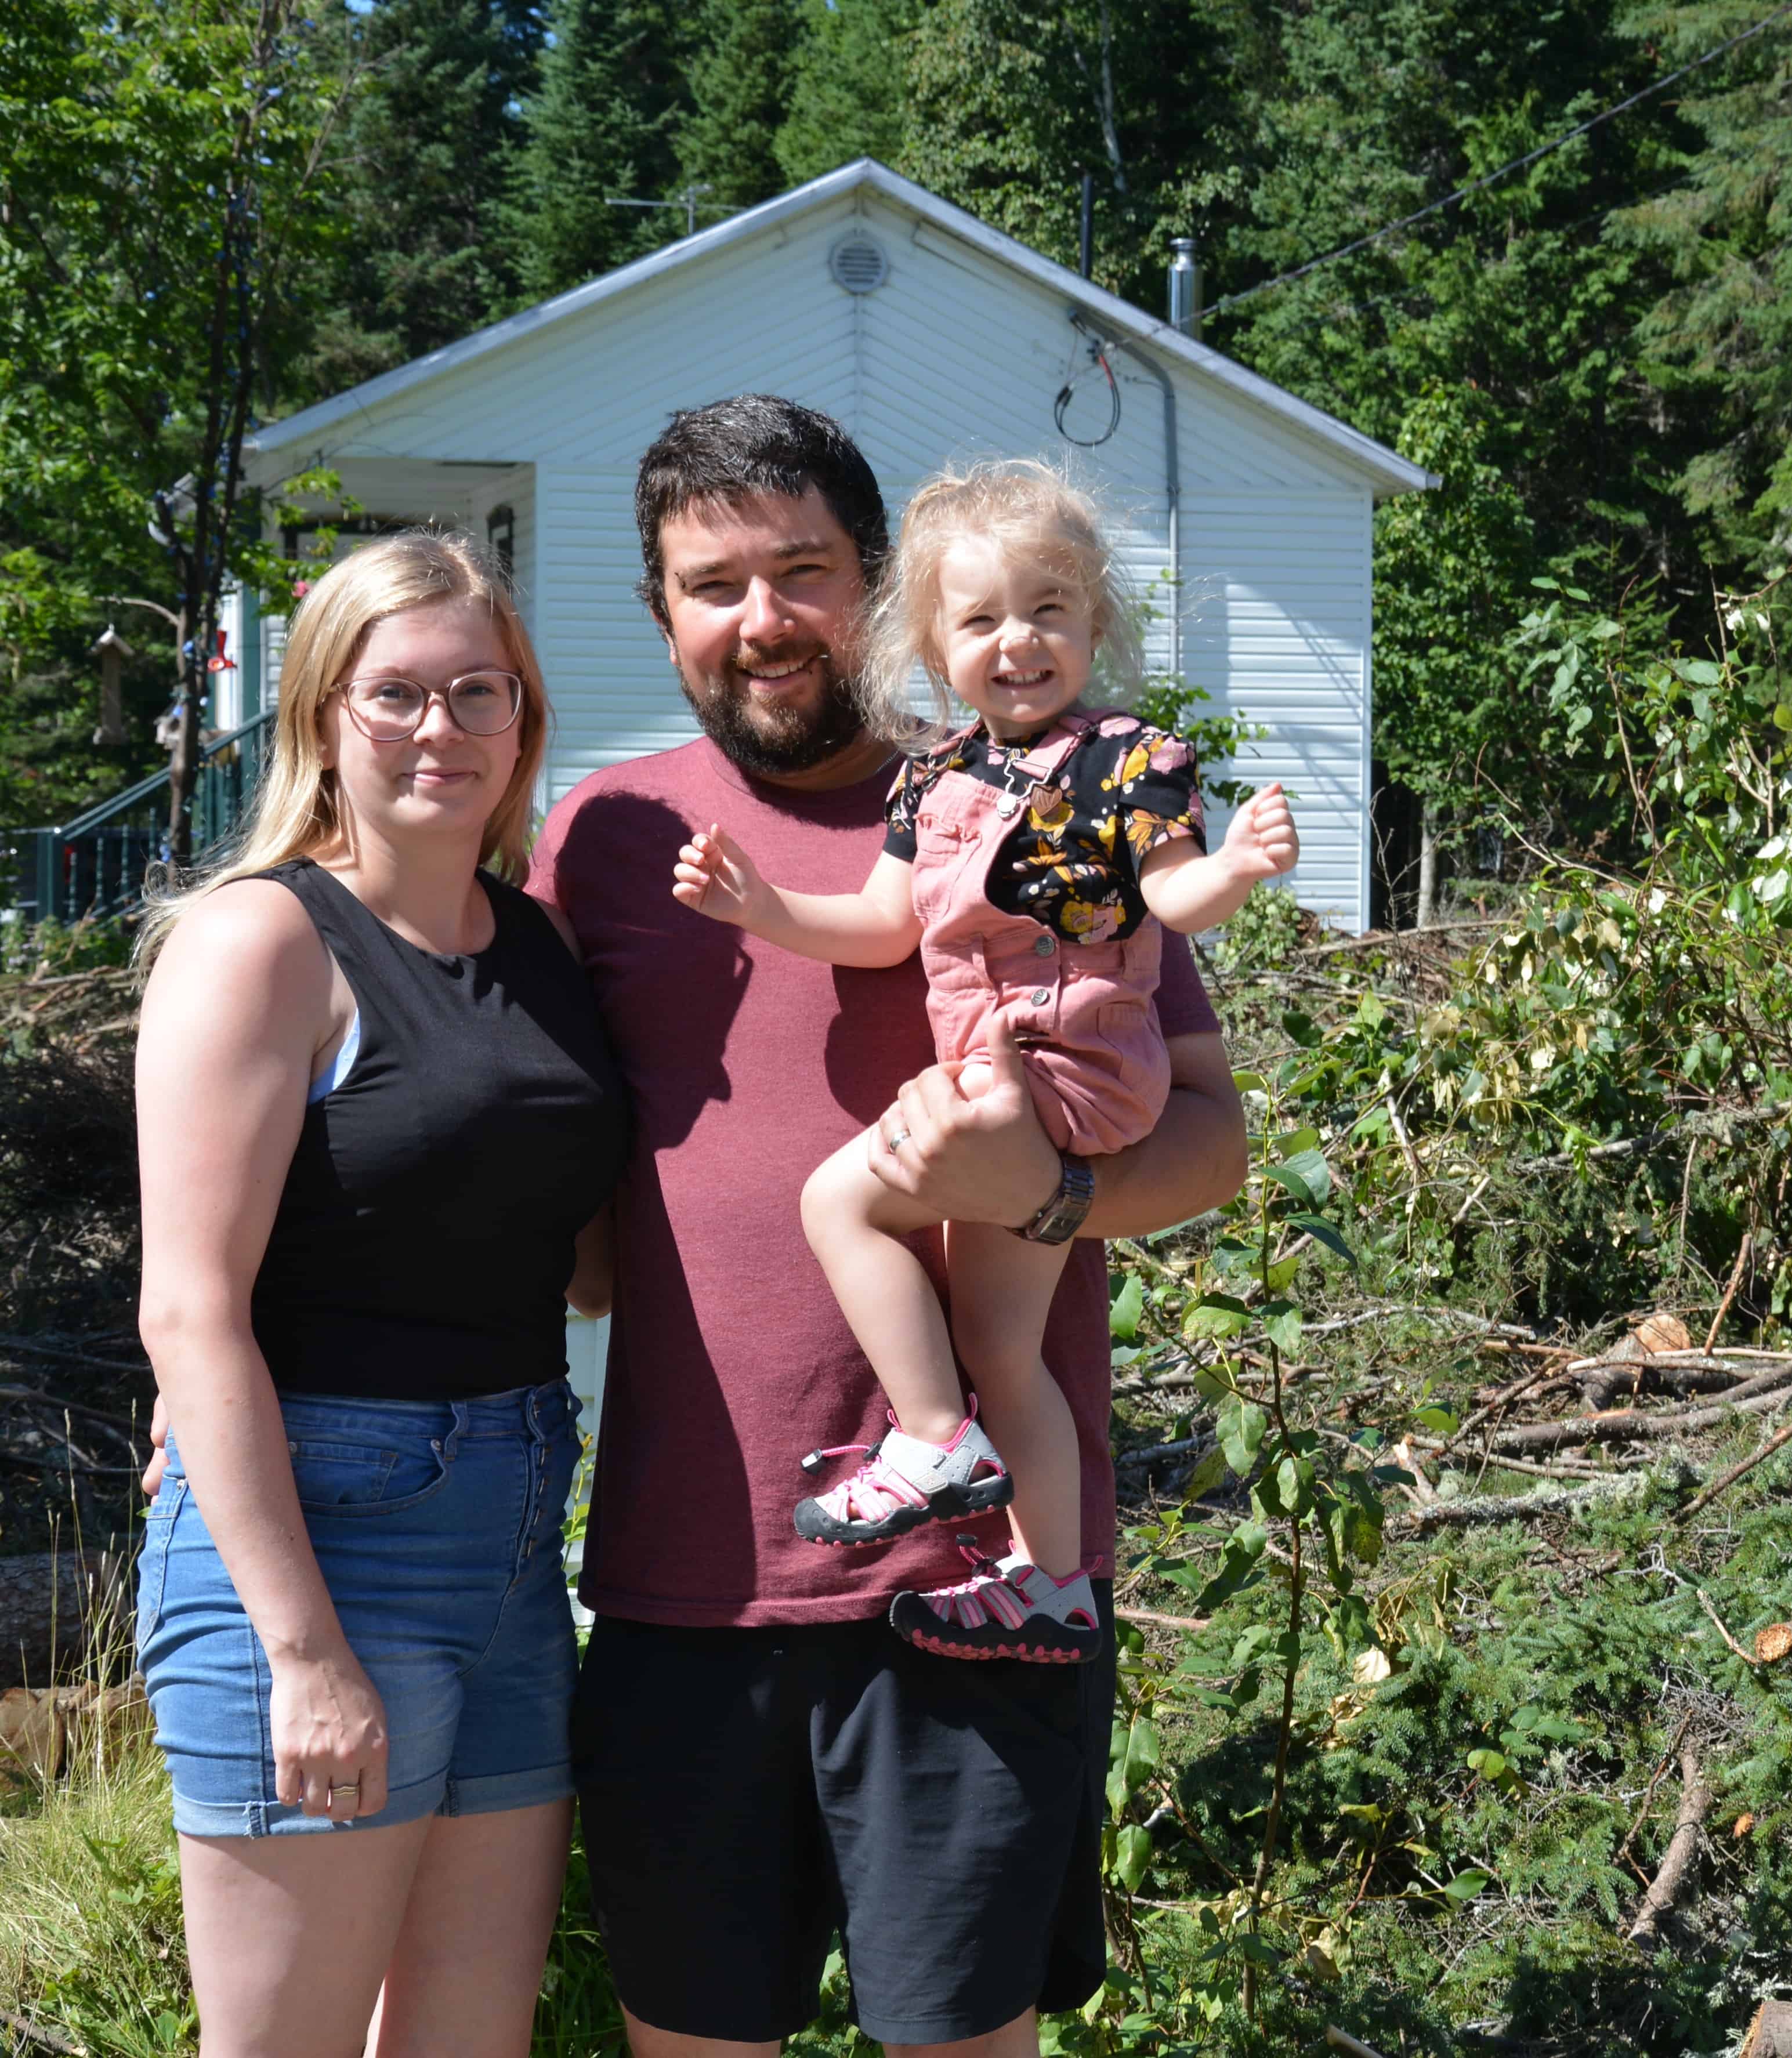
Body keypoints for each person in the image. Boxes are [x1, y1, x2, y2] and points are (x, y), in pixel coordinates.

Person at [531, 395, 1247, 2054]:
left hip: (974, 1588)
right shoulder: (610, 841)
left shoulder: (1032, 796)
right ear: (660, 611)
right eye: (714, 584)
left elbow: (1210, 1138)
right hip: (690, 1583)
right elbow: (498, 1151)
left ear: (878, 588)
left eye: (803, 571)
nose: (763, 618)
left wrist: (1050, 1193)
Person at [667, 457, 1297, 1661]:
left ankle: (930, 1439)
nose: (1019, 641)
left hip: (1063, 1064)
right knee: (1003, 1348)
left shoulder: (1128, 761)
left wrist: (1239, 867)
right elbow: (883, 926)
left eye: (1048, 609)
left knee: (837, 1202)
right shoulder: (934, 774)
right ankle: (1051, 1583)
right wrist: (761, 907)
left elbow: (1175, 897)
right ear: (931, 646)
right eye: (981, 620)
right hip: (1010, 1084)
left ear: (1094, 622)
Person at [132, 530, 626, 2057]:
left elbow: (581, 1257)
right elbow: (188, 1309)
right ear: (322, 715)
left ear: (522, 718)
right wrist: (300, 1649)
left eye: (479, 691)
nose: (440, 727)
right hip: (319, 1539)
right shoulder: (262, 939)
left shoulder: (542, 944)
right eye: (396, 691)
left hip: (515, 1527)